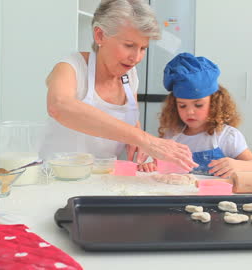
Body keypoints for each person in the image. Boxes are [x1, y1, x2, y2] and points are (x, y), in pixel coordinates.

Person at [39, 0, 197, 171]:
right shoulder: (72, 66)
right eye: (129, 45)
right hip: (57, 178)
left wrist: (142, 149)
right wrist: (145, 139)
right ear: (100, 35)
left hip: (103, 179)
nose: (136, 57)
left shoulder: (130, 76)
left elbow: (130, 127)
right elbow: (59, 106)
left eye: (143, 48)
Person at [139, 53, 252, 178]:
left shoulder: (226, 136)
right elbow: (157, 165)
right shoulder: (172, 135)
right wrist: (150, 165)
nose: (190, 112)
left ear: (215, 103)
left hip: (216, 196)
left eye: (198, 105)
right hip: (178, 195)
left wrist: (237, 165)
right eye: (182, 106)